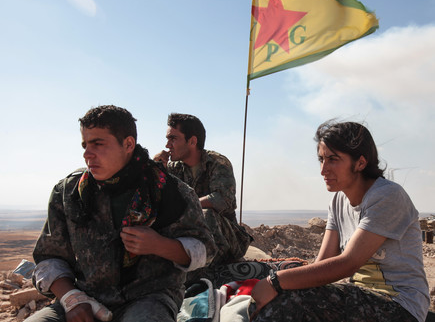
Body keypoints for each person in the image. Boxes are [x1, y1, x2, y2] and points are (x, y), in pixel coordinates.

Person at [26, 105, 216, 322]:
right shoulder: (69, 192)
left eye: (98, 144)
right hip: (85, 299)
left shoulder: (169, 191)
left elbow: (205, 251)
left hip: (148, 298)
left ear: (128, 144)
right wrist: (72, 299)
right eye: (85, 145)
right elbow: (48, 257)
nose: (87, 154)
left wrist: (159, 245)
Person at [249, 120, 429, 322]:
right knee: (285, 291)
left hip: (399, 306)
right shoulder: (338, 201)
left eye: (333, 159)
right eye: (321, 159)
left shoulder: (387, 196)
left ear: (360, 163)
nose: (323, 170)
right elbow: (323, 262)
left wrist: (275, 281)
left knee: (288, 301)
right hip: (359, 297)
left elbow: (347, 264)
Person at [154, 113, 252, 278]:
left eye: (173, 139)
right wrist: (156, 168)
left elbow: (222, 199)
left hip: (226, 237)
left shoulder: (217, 163)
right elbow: (156, 199)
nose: (167, 145)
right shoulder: (174, 168)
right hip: (193, 235)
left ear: (192, 141)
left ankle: (200, 276)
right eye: (168, 139)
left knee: (206, 215)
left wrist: (188, 206)